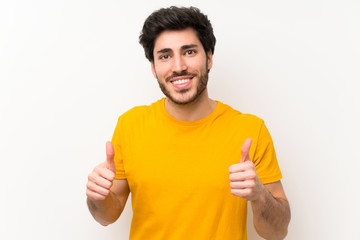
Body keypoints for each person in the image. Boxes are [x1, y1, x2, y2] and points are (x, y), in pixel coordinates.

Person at [86, 6, 290, 240]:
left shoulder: (250, 130)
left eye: (189, 52)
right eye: (165, 56)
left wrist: (260, 195)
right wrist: (96, 196)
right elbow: (107, 216)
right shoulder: (130, 125)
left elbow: (277, 232)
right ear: (153, 68)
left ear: (209, 58)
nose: (178, 66)